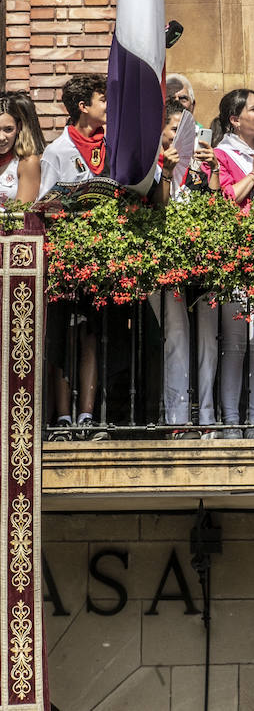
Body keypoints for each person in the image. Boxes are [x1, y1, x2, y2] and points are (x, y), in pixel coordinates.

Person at [40, 74, 109, 440]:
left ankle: (87, 415)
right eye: (103, 99)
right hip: (65, 260)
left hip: (100, 261)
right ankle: (63, 416)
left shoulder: (112, 146)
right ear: (83, 106)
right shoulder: (57, 151)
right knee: (63, 336)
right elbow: (42, 207)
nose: (107, 106)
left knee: (90, 337)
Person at [149, 100, 219, 436]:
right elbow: (157, 210)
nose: (179, 135)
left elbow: (215, 209)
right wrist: (165, 170)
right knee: (175, 336)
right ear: (160, 131)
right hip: (163, 269)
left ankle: (205, 416)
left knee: (207, 340)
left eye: (183, 129)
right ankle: (177, 418)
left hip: (199, 268)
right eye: (174, 128)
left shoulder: (196, 171)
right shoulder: (149, 166)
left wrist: (215, 170)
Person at [213, 88, 254, 438]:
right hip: (235, 256)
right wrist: (252, 173)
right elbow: (227, 201)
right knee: (235, 341)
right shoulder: (222, 154)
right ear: (235, 119)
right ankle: (230, 421)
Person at [0, 94, 41, 206]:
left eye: (8, 129)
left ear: (18, 127)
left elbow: (21, 215)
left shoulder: (27, 163)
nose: (1, 137)